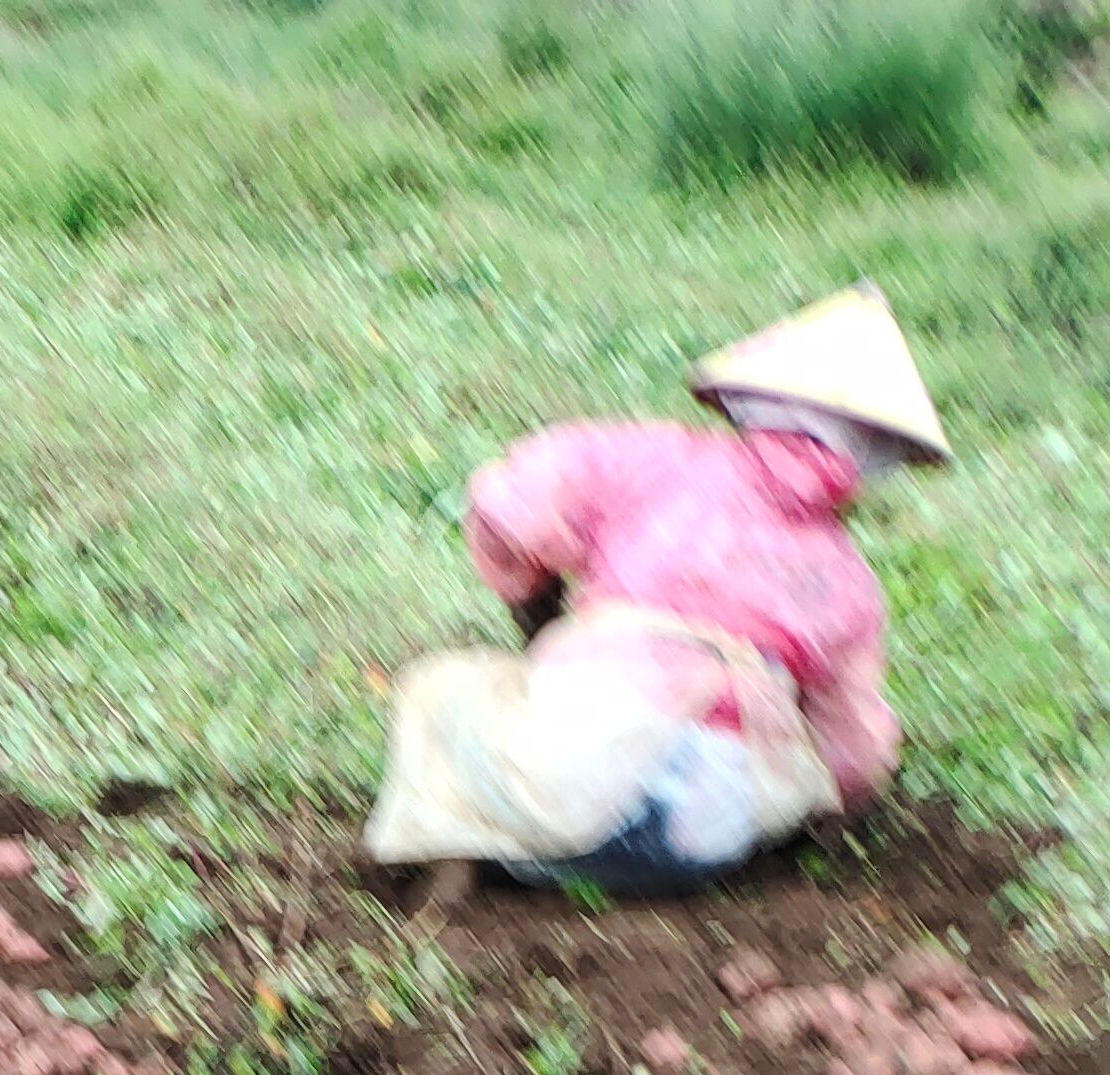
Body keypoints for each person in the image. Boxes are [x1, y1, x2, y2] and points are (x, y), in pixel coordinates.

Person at [366, 285, 947, 897]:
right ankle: (647, 865)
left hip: (578, 775)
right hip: (704, 840)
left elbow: (509, 504)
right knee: (744, 782)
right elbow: (856, 750)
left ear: (752, 404)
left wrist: (535, 603)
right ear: (876, 458)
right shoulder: (849, 582)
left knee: (442, 690)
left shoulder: (654, 460)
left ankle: (472, 851)